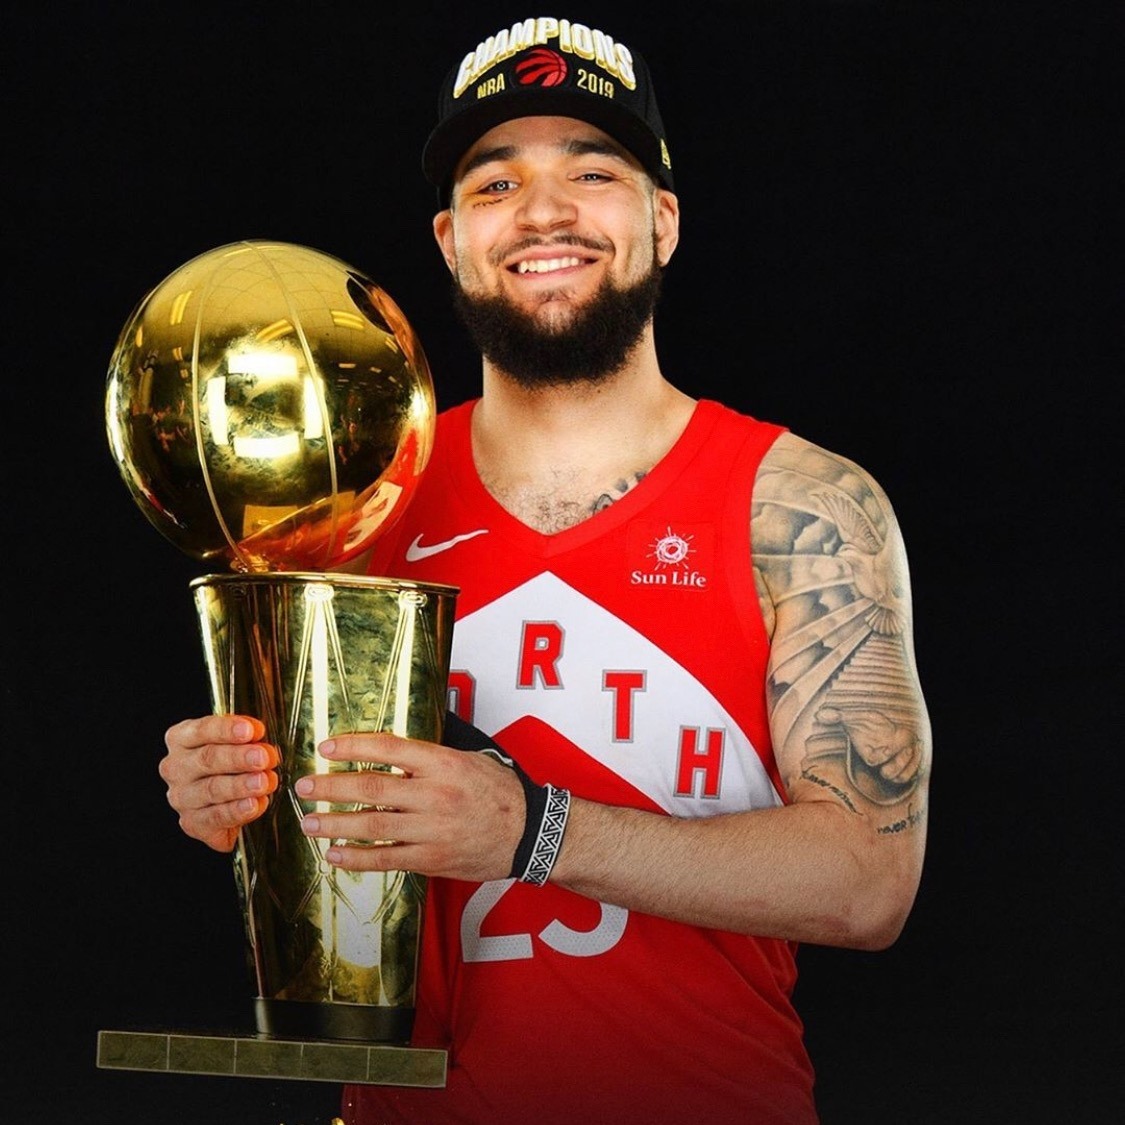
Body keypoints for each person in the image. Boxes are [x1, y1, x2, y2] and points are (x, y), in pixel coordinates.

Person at [160, 15, 931, 1124]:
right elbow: (325, 853)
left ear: (663, 222)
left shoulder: (801, 506)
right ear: (448, 239)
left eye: (593, 169)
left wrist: (531, 832)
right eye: (495, 182)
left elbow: (870, 882)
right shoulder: (362, 510)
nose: (544, 210)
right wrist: (240, 790)